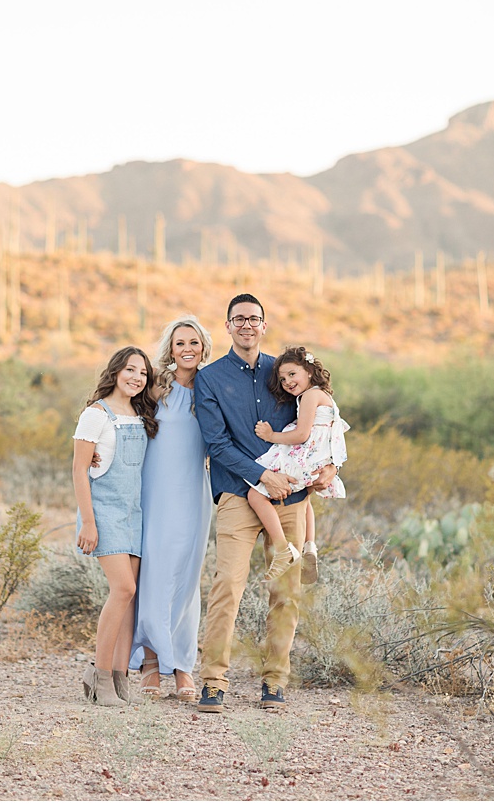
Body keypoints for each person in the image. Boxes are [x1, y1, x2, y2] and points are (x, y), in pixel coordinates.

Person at [193, 293, 339, 712]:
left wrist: (330, 466)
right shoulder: (210, 378)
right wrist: (260, 474)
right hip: (239, 495)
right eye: (238, 319)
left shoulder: (287, 372)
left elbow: (321, 420)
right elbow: (215, 442)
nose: (246, 325)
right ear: (227, 326)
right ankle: (213, 681)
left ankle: (275, 680)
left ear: (264, 324)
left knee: (286, 590)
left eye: (254, 319)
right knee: (228, 586)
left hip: (291, 496)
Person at [130, 315, 215, 700]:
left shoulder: (212, 390)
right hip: (154, 491)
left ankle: (182, 665)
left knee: (185, 578)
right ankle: (150, 662)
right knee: (154, 574)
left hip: (193, 492)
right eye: (180, 343)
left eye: (193, 343)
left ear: (203, 348)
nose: (187, 349)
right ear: (171, 348)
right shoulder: (154, 388)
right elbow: (122, 417)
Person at [71, 346, 158, 707]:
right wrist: (88, 523)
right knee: (122, 589)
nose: (136, 377)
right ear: (115, 371)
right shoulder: (96, 414)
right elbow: (78, 471)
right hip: (104, 512)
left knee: (131, 599)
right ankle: (100, 674)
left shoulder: (139, 414)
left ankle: (120, 678)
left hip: (133, 512)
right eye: (130, 370)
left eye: (143, 373)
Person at [244, 346, 350, 585]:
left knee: (255, 495)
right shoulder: (322, 396)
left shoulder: (311, 395)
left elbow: (302, 435)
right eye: (282, 379)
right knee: (304, 501)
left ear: (310, 371)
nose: (287, 382)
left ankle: (284, 549)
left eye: (292, 374)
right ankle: (309, 546)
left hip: (306, 460)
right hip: (319, 461)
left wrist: (271, 436)